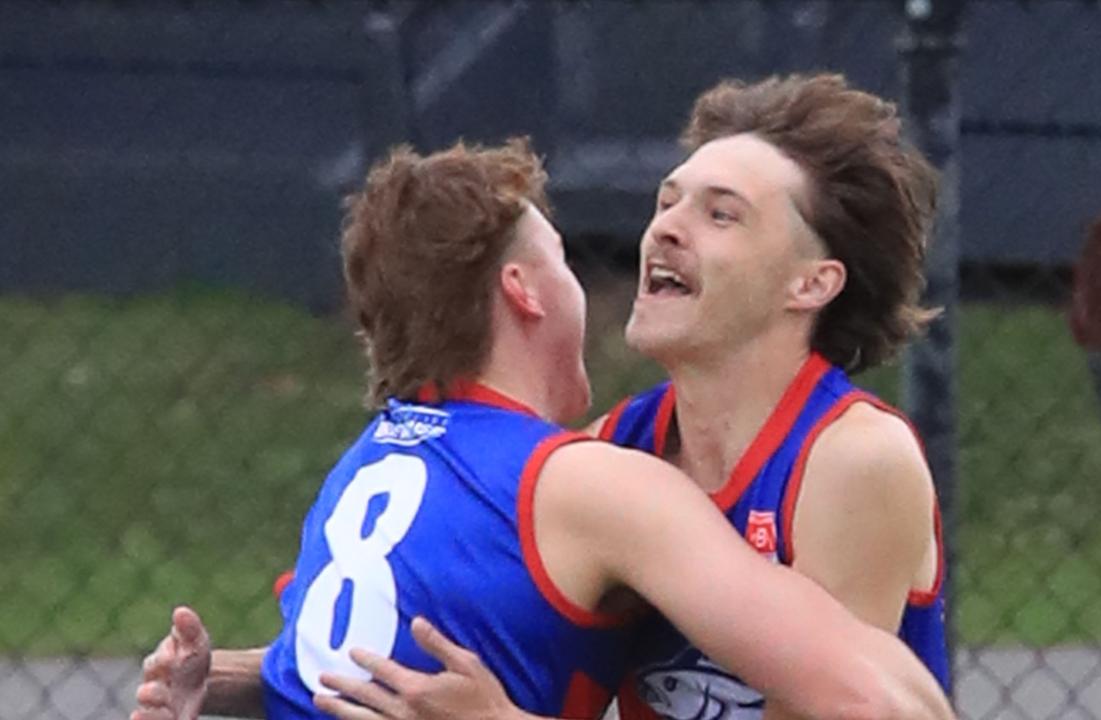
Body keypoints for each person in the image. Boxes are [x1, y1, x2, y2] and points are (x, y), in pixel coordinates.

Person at [131, 138, 953, 720]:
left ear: (813, 281)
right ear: (526, 291)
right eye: (665, 202)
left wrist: (241, 677)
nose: (662, 228)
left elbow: (871, 707)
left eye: (721, 213)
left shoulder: (846, 455)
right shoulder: (601, 469)